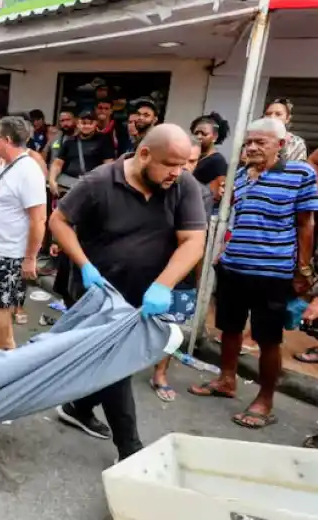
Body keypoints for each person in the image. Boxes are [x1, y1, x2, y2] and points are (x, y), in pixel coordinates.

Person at [50, 124, 207, 461]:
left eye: (183, 165)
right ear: (145, 154)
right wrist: (84, 265)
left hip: (143, 298)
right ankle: (130, 451)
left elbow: (193, 240)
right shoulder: (98, 182)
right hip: (98, 296)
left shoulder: (183, 185)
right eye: (171, 164)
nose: (177, 173)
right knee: (116, 365)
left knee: (114, 363)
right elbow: (58, 221)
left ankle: (79, 407)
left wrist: (164, 284)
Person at [190, 117, 318, 429]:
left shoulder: (301, 174)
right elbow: (238, 218)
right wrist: (224, 251)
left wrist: (303, 270)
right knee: (230, 329)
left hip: (272, 273)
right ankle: (226, 379)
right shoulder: (242, 177)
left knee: (268, 338)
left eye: (260, 142)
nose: (252, 148)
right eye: (249, 142)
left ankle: (265, 398)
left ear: (281, 145)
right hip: (234, 267)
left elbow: (306, 224)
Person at [149, 136, 214, 402]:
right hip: (145, 267)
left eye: (191, 161)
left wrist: (197, 280)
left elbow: (198, 240)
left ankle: (160, 373)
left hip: (181, 272)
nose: (183, 168)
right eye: (177, 161)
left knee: (172, 326)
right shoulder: (150, 185)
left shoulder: (201, 193)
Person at [0, 117, 46, 350]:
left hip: (10, 252)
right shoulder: (4, 163)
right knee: (0, 303)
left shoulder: (28, 171)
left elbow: (39, 219)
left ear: (7, 140)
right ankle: (1, 339)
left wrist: (30, 258)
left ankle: (4, 349)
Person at [48, 111, 115, 196]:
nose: (86, 126)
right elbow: (57, 163)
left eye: (90, 123)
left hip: (93, 186)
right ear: (78, 124)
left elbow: (108, 165)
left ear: (95, 124)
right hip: (68, 186)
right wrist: (52, 180)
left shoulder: (104, 140)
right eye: (83, 123)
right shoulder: (69, 141)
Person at [190, 112, 230, 205]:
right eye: (196, 133)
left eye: (204, 134)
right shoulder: (192, 156)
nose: (199, 136)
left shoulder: (217, 160)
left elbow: (218, 194)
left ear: (215, 136)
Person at [265, 98, 307, 162]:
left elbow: (297, 169)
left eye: (278, 114)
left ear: (287, 119)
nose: (272, 117)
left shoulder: (296, 143)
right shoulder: (254, 138)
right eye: (268, 114)